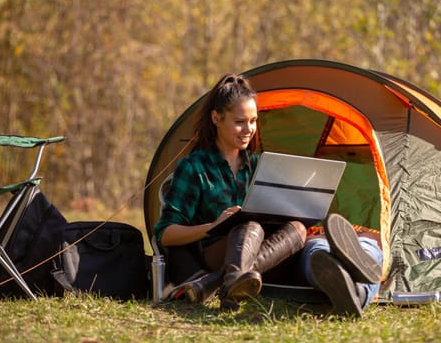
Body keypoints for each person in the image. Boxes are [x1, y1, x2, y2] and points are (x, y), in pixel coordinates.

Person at [153, 73, 307, 310]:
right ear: (216, 118)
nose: (249, 129)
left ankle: (217, 284)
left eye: (253, 121)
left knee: (298, 228)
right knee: (248, 225)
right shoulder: (195, 167)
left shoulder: (258, 166)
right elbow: (166, 234)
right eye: (240, 122)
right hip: (214, 250)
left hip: (261, 249)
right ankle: (230, 281)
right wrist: (214, 226)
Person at [300, 213, 383, 318]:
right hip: (363, 234)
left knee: (318, 251)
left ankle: (335, 268)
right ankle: (359, 293)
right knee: (369, 246)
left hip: (316, 234)